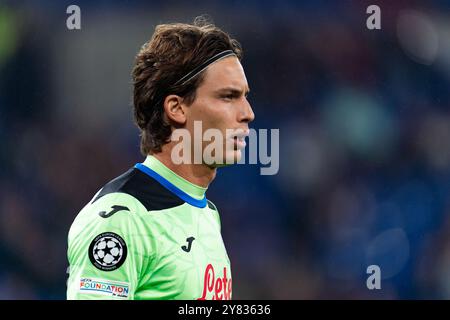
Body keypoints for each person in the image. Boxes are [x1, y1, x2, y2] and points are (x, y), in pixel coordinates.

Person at [66, 17, 255, 300]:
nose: (248, 113)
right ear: (177, 108)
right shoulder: (122, 220)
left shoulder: (206, 213)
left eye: (245, 97)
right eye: (228, 97)